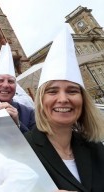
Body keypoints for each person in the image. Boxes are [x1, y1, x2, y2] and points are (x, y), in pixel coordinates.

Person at [25, 27, 104, 191]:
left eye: (72, 91)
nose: (63, 99)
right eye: (52, 91)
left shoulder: (94, 146)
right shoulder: (24, 150)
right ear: (41, 100)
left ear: (83, 100)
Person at [0, 44, 35, 133]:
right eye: (0, 80)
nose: (6, 85)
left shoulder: (29, 113)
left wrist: (17, 124)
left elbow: (38, 145)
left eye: (10, 81)